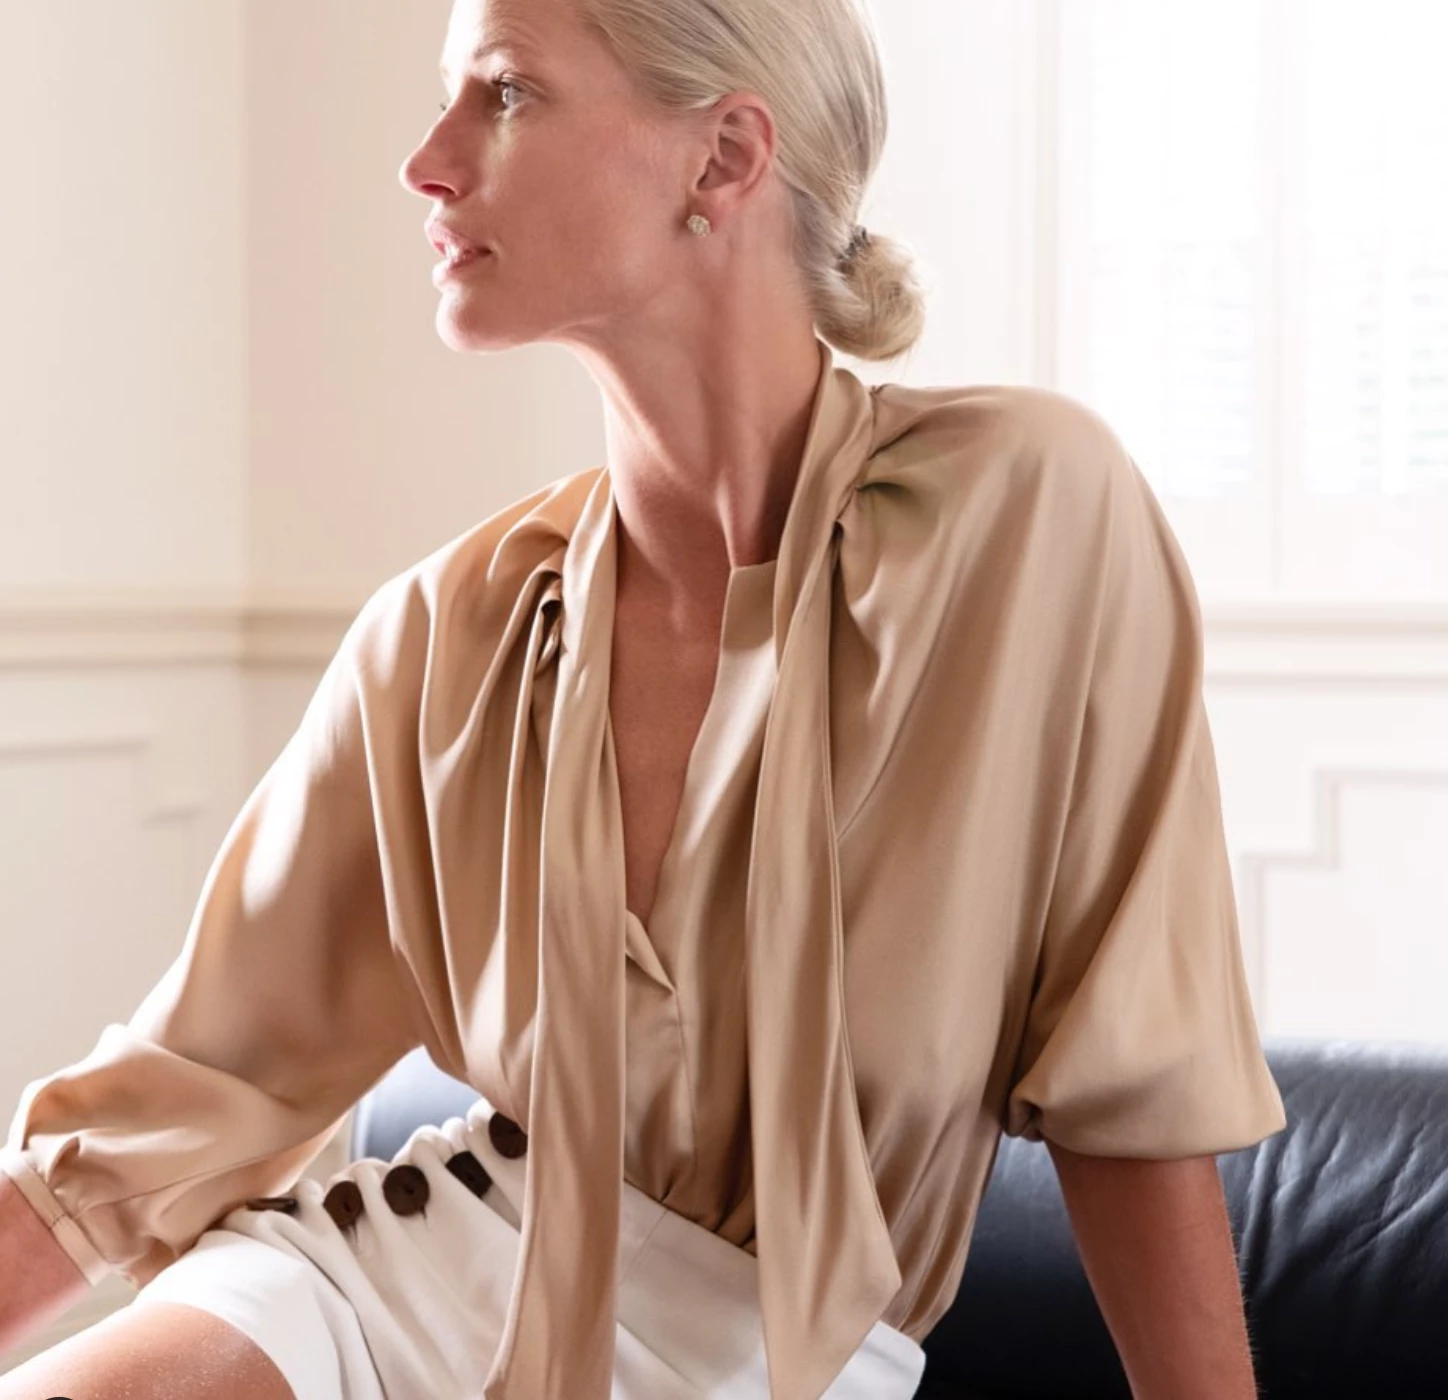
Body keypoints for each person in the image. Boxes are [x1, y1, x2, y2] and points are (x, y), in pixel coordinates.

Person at [0, 0, 1289, 1396]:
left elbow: (1130, 1088)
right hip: (376, 1291)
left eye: (504, 92)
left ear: (723, 157)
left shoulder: (1027, 519)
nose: (426, 162)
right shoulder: (449, 634)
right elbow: (167, 1104)